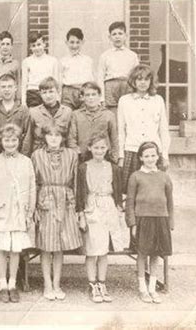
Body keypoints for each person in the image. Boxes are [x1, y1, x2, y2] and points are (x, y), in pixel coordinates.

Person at [0, 124, 36, 303]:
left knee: (15, 250)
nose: (10, 143)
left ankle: (13, 284)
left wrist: (29, 214)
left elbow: (31, 188)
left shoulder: (26, 161)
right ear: (1, 141)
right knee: (2, 249)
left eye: (14, 140)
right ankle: (2, 285)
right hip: (1, 211)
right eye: (6, 140)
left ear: (19, 141)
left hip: (19, 211)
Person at [31, 123, 82, 301]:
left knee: (59, 246)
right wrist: (34, 207)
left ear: (63, 138)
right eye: (50, 135)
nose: (53, 138)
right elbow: (34, 183)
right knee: (46, 246)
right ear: (44, 137)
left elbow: (76, 181)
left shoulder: (72, 155)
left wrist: (76, 207)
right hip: (45, 199)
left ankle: (57, 283)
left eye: (57, 135)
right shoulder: (37, 155)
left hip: (65, 200)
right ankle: (47, 284)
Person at [76, 133, 124, 303]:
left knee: (103, 250)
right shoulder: (83, 168)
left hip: (108, 206)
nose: (99, 150)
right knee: (91, 250)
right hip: (91, 207)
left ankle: (102, 283)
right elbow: (80, 193)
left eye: (103, 147)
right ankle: (92, 284)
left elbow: (117, 191)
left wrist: (118, 209)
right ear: (89, 148)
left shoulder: (113, 168)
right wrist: (81, 215)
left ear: (107, 148)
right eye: (96, 147)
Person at [125, 141, 174, 304]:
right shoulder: (136, 176)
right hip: (142, 220)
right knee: (142, 253)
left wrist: (170, 222)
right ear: (140, 158)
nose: (150, 159)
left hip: (161, 219)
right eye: (146, 156)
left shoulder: (164, 176)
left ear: (158, 156)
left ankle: (152, 287)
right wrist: (132, 223)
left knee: (156, 254)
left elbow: (170, 202)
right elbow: (130, 202)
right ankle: (142, 288)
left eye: (153, 155)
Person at [118, 64, 170, 193]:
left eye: (146, 79)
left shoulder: (158, 100)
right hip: (132, 150)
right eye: (139, 79)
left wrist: (165, 155)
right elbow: (121, 130)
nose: (142, 82)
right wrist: (121, 156)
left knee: (152, 191)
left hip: (152, 153)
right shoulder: (124, 101)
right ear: (133, 81)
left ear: (151, 82)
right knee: (130, 191)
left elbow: (163, 129)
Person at [68, 82, 118, 164]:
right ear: (82, 97)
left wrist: (114, 159)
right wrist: (77, 154)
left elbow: (114, 139)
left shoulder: (108, 115)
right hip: (82, 158)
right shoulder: (76, 115)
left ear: (99, 96)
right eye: (87, 95)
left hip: (103, 157)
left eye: (94, 94)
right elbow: (71, 139)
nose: (91, 98)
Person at [0, 73, 30, 161]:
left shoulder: (23, 110)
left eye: (10, 86)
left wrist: (21, 157)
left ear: (15, 88)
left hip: (18, 158)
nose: (6, 90)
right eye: (3, 87)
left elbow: (28, 136)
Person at [22, 77, 71, 156]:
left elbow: (70, 138)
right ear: (40, 94)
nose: (48, 96)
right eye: (44, 93)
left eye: (51, 92)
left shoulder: (67, 112)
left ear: (58, 92)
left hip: (60, 155)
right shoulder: (34, 112)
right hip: (39, 155)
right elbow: (28, 138)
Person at [97, 21, 139, 115]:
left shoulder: (132, 55)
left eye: (120, 33)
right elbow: (100, 77)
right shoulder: (105, 56)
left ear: (125, 36)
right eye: (114, 34)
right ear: (110, 37)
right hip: (110, 87)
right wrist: (102, 98)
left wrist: (136, 93)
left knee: (127, 113)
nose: (117, 36)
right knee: (112, 115)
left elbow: (136, 77)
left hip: (126, 86)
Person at [60, 28, 94, 111]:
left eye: (78, 42)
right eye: (72, 42)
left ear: (82, 42)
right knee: (67, 115)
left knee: (83, 117)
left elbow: (91, 79)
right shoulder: (62, 61)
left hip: (83, 91)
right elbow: (60, 81)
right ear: (66, 42)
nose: (74, 46)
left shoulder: (88, 60)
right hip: (68, 92)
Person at [21, 32, 59, 107]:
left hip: (47, 92)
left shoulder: (53, 60)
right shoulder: (26, 61)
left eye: (39, 44)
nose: (37, 48)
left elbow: (56, 81)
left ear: (44, 44)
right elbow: (24, 83)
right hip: (32, 93)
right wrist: (23, 101)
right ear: (30, 47)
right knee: (33, 116)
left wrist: (57, 98)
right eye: (33, 46)